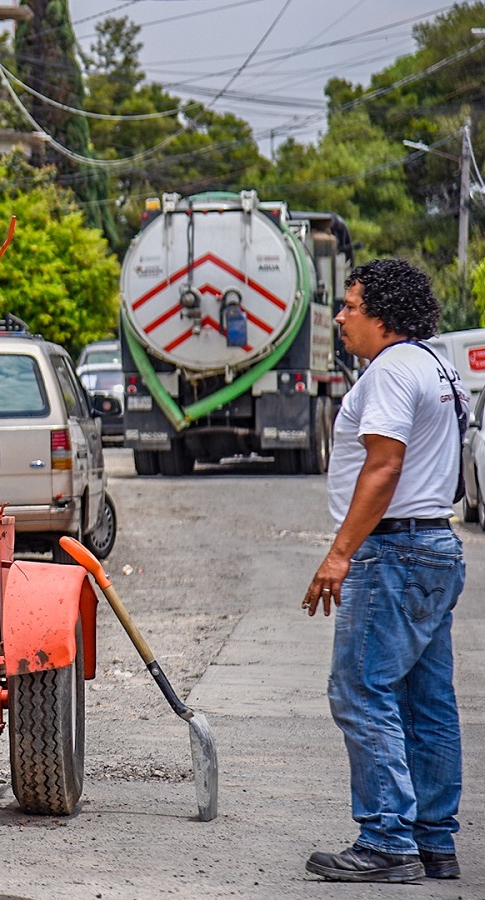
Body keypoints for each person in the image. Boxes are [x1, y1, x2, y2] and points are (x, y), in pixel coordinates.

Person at [302, 258, 465, 884]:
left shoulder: (392, 371)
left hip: (394, 551)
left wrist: (341, 552)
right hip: (434, 547)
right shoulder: (437, 363)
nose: (341, 317)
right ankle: (433, 842)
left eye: (350, 306)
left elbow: (385, 465)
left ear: (384, 315)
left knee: (363, 692)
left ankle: (387, 841)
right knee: (428, 701)